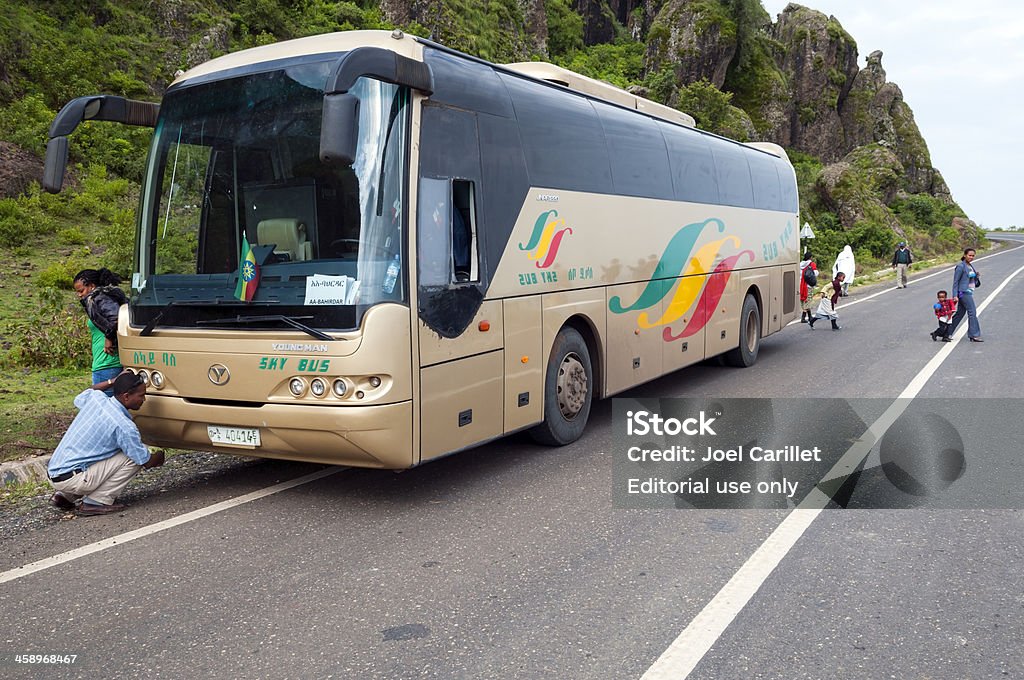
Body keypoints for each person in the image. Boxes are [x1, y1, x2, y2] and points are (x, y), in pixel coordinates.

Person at [47, 371, 165, 516]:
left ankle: (64, 496)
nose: (144, 399)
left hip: (55, 471)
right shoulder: (124, 426)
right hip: (74, 479)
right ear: (126, 396)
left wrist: (112, 381)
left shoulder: (97, 399)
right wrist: (159, 456)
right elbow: (143, 460)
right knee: (134, 456)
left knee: (115, 450)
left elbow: (90, 390)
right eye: (141, 395)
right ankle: (96, 502)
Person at [73, 268, 129, 395]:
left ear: (92, 286)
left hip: (108, 362)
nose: (79, 295)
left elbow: (117, 318)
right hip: (105, 361)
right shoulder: (100, 298)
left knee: (103, 406)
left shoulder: (99, 298)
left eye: (81, 290)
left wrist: (108, 337)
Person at [948, 247, 983, 342]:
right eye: (969, 255)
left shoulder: (970, 266)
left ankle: (947, 332)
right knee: (972, 312)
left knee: (960, 313)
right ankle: (974, 335)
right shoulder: (960, 266)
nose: (971, 257)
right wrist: (955, 295)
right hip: (963, 292)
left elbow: (971, 280)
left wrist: (976, 276)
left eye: (973, 256)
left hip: (968, 291)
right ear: (965, 255)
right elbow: (956, 282)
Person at [799, 250, 818, 323]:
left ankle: (810, 317)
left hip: (801, 285)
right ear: (810, 257)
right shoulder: (811, 264)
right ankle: (803, 318)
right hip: (808, 285)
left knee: (804, 301)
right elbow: (815, 273)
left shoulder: (800, 264)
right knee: (808, 300)